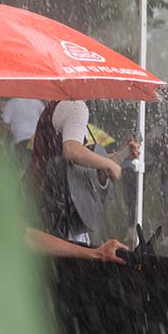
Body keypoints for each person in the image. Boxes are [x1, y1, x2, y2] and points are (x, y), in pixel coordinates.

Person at [25, 100, 134, 243]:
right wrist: (109, 164)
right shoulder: (76, 106)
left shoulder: (59, 105)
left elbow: (78, 166)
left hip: (38, 204)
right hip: (56, 212)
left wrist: (121, 155)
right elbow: (71, 150)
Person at [0, 97, 46, 166]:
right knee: (36, 164)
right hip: (35, 139)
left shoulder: (10, 104)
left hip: (21, 139)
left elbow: (5, 126)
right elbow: (44, 119)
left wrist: (3, 141)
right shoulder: (37, 102)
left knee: (22, 165)